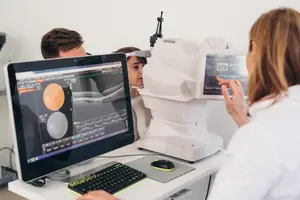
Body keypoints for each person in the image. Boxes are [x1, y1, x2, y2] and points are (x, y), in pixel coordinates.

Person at [76, 7, 300, 200]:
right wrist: (241, 119)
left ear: (256, 52)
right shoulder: (279, 123)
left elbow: (264, 146)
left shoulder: (258, 138)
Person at [114, 47, 152, 141]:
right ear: (119, 69)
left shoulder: (149, 97)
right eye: (136, 67)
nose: (142, 71)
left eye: (144, 66)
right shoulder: (116, 105)